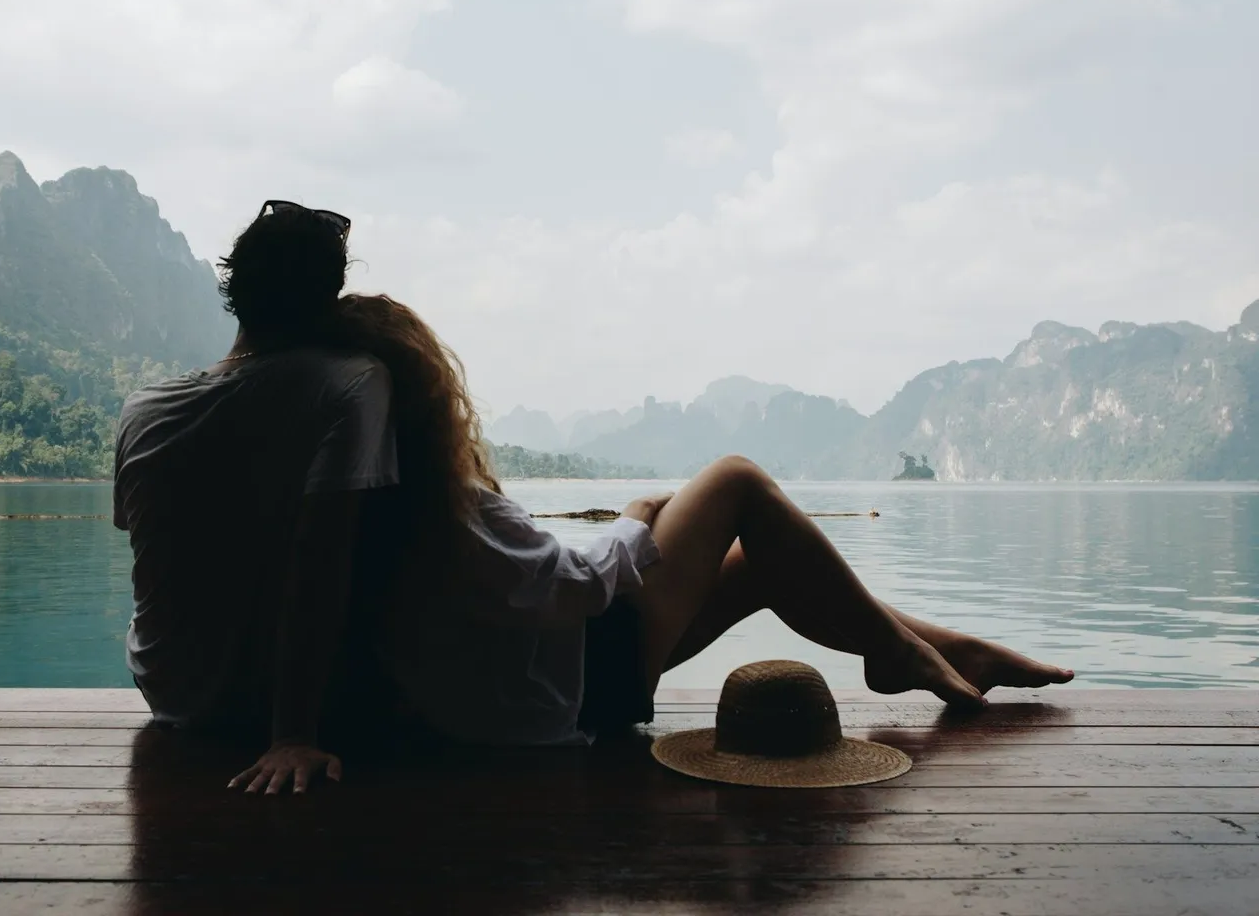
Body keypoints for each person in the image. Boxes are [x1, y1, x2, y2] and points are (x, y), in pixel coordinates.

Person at [266, 292, 1076, 771]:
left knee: (760, 566)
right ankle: (898, 650)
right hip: (576, 694)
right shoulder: (446, 513)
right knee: (734, 480)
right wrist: (637, 517)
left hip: (548, 680)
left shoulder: (354, 510)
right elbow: (579, 585)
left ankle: (930, 649)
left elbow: (532, 584)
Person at [113, 201, 403, 796]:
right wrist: (292, 734)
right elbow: (322, 559)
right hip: (278, 709)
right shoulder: (353, 381)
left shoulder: (143, 408)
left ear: (233, 286)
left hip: (170, 693)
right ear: (331, 295)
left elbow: (152, 546)